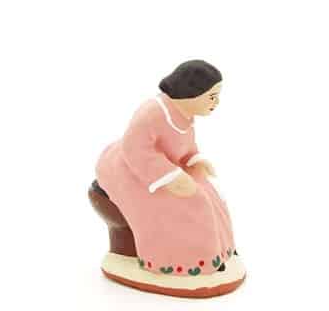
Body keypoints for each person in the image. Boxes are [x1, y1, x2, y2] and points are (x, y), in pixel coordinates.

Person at [96, 60, 237, 276]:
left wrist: (194, 159)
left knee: (210, 191)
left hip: (168, 166)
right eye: (211, 96)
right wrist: (169, 177)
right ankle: (189, 261)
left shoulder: (185, 114)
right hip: (131, 170)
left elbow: (184, 144)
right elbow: (135, 149)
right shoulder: (152, 113)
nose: (216, 102)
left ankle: (217, 253)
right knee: (190, 202)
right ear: (192, 93)